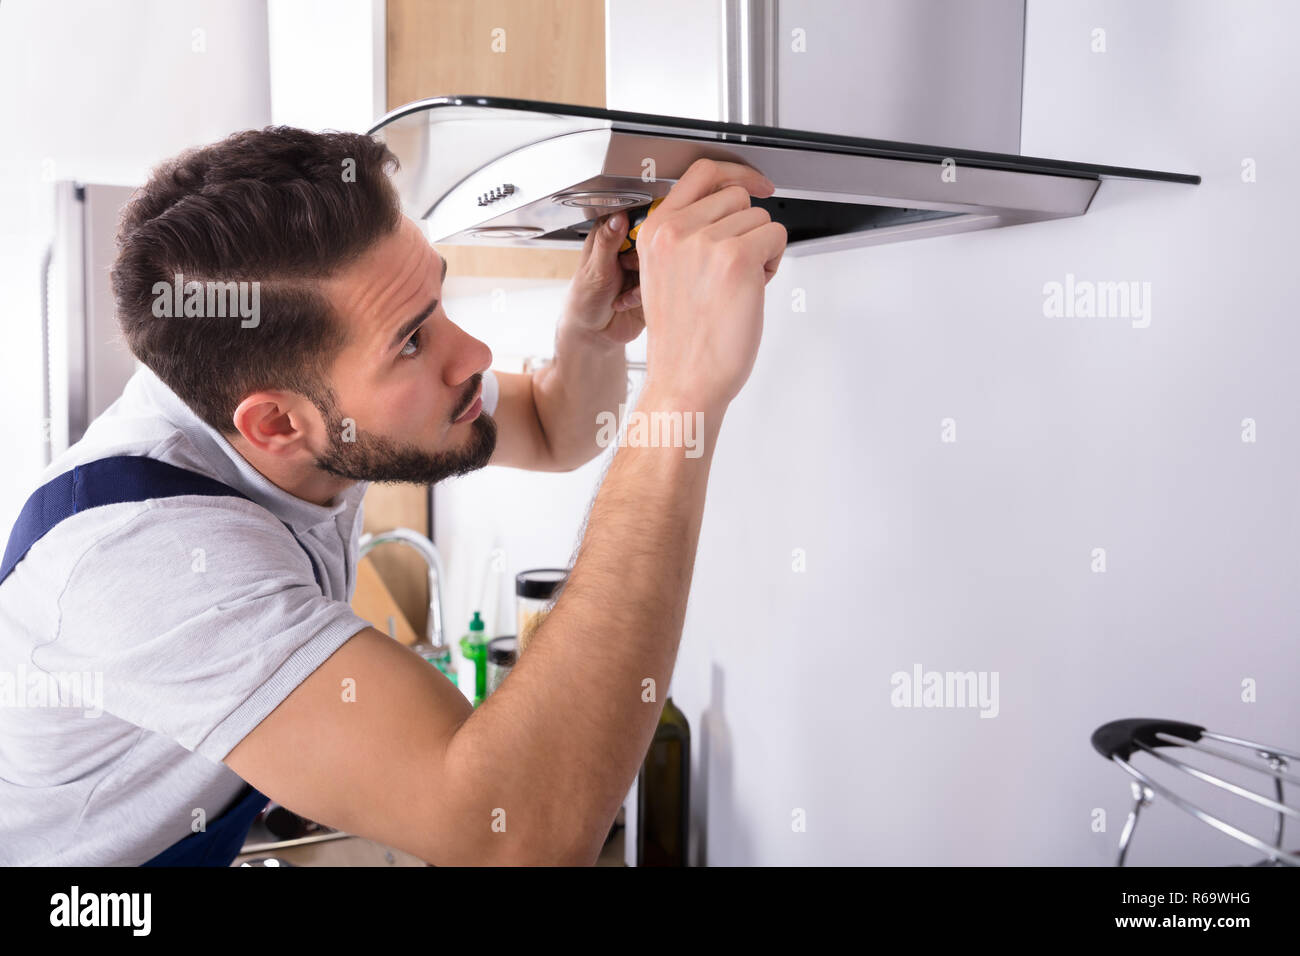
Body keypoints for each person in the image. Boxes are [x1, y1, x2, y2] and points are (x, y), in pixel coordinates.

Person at [0, 126, 786, 865]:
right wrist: (684, 391)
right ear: (275, 421)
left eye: (438, 302)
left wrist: (592, 335)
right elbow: (516, 832)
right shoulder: (147, 562)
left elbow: (554, 428)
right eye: (412, 340)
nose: (472, 353)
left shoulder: (283, 406)